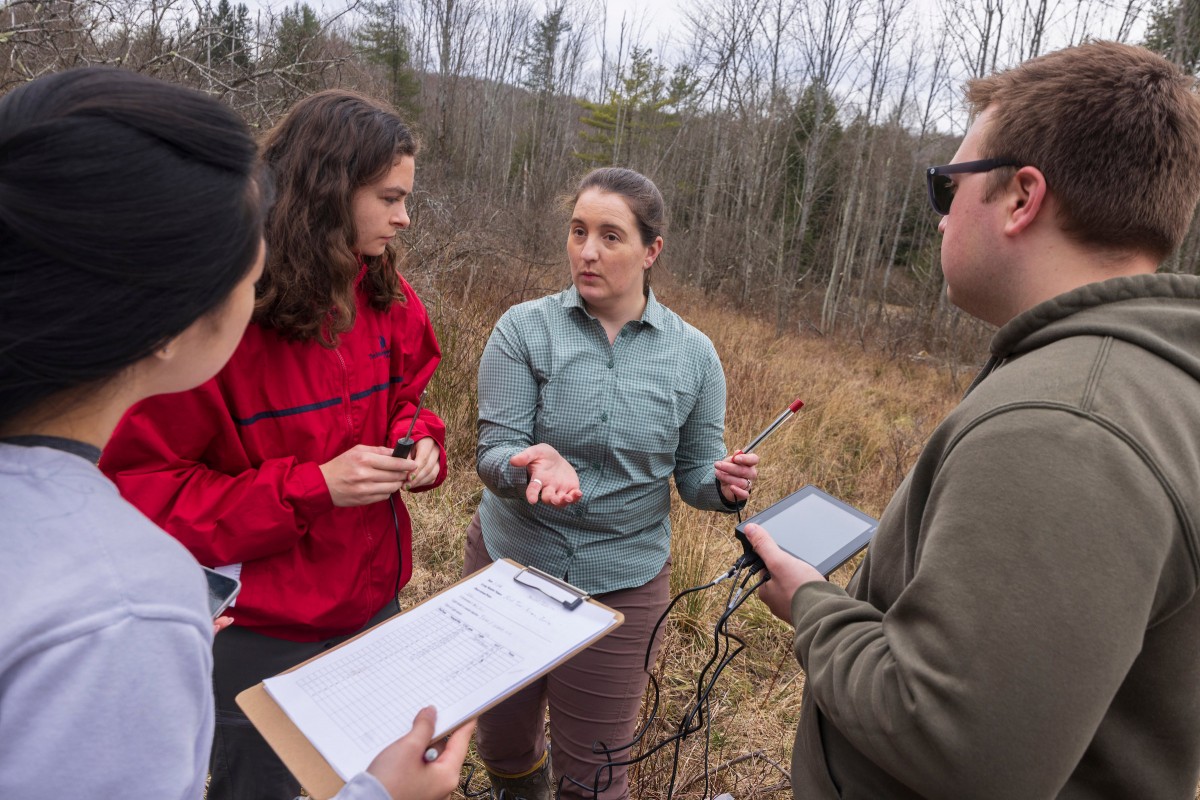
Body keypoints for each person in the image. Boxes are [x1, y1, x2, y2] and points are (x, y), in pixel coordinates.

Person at [745, 41, 1200, 799]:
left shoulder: (1067, 426)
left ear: (1021, 197)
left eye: (947, 184)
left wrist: (811, 605)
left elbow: (955, 746)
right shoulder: (1146, 381)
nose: (942, 214)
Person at [0, 68, 471, 800]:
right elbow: (144, 494)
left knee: (361, 765)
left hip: (371, 602)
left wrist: (419, 441)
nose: (404, 218)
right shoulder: (207, 328)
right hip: (263, 629)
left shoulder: (388, 297)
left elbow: (410, 396)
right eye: (389, 198)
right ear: (325, 193)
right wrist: (312, 488)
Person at [465, 167, 760, 800]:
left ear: (651, 251)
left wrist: (725, 485)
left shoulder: (694, 356)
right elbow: (492, 452)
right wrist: (529, 468)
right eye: (578, 232)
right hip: (514, 563)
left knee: (597, 771)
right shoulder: (524, 330)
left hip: (623, 585)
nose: (587, 251)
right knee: (505, 742)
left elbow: (694, 479)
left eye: (610, 236)